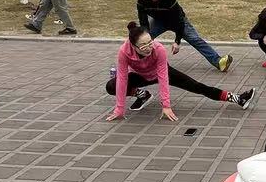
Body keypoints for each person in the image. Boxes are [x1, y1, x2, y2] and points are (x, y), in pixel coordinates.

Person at [105, 22, 254, 121]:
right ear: (133, 46)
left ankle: (236, 98)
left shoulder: (158, 49)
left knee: (197, 86)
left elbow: (163, 78)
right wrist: (119, 109)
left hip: (161, 72)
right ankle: (143, 95)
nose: (149, 47)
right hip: (140, 76)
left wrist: (166, 105)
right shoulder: (124, 52)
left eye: (150, 42)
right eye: (143, 46)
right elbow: (123, 78)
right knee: (112, 85)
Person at [136, 0, 232, 72]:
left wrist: (177, 42)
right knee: (142, 39)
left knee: (195, 39)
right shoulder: (141, 2)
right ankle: (137, 62)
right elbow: (143, 22)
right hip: (159, 22)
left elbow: (179, 22)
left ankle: (218, 62)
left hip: (178, 21)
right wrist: (146, 36)